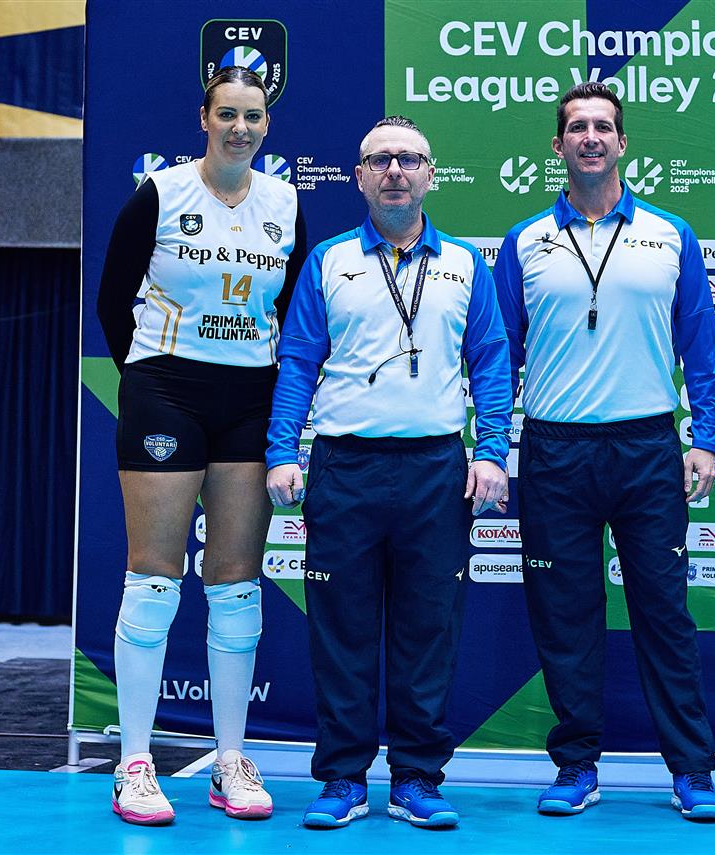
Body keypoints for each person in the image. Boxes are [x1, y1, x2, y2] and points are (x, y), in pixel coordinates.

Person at [265, 115, 511, 830]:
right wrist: (281, 451)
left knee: (428, 629)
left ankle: (416, 778)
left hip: (436, 469)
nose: (395, 171)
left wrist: (492, 450)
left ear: (431, 173)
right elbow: (299, 361)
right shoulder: (328, 260)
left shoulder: (465, 263)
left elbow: (491, 360)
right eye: (380, 160)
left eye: (409, 159)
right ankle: (343, 778)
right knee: (341, 630)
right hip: (345, 468)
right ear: (360, 177)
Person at [493, 82, 715, 822]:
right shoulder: (524, 241)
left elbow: (701, 347)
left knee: (665, 613)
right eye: (577, 127)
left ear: (623, 143)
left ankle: (692, 770)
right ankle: (576, 765)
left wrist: (707, 439)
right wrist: (491, 444)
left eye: (603, 126)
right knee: (565, 616)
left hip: (647, 447)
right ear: (557, 145)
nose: (590, 137)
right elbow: (499, 357)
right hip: (555, 451)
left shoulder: (671, 234)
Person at [95, 65, 305, 825]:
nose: (240, 128)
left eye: (253, 116)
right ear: (204, 118)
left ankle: (230, 758)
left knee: (236, 581)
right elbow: (112, 300)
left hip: (250, 397)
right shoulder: (161, 192)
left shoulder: (285, 201)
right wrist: (151, 379)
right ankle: (135, 763)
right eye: (227, 114)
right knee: (154, 576)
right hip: (167, 389)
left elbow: (290, 307)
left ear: (267, 125)